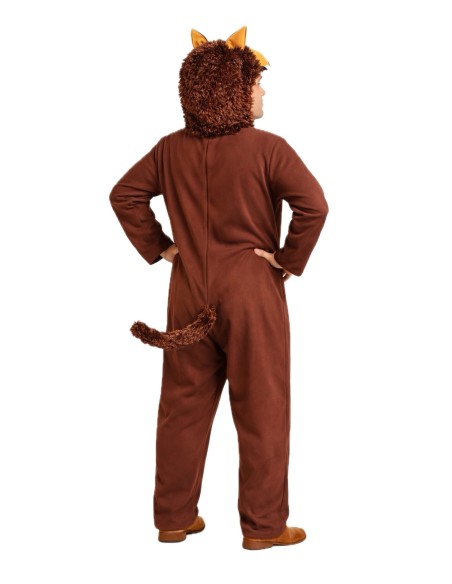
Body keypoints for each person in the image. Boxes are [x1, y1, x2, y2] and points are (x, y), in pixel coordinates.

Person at [109, 26, 329, 550]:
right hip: (252, 292)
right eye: (256, 83)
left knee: (181, 406)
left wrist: (165, 249)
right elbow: (314, 205)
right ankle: (263, 527)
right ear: (233, 88)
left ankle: (173, 518)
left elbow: (124, 195)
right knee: (262, 407)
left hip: (189, 290)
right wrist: (287, 261)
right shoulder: (268, 148)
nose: (263, 92)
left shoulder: (169, 150)